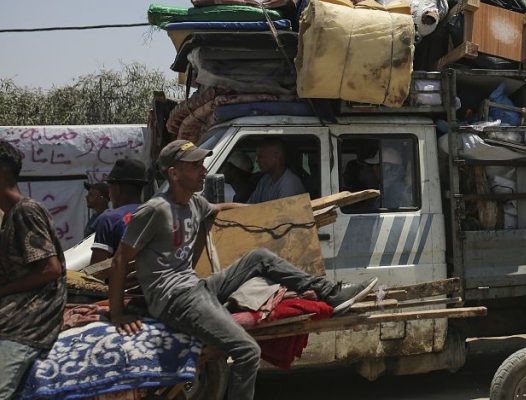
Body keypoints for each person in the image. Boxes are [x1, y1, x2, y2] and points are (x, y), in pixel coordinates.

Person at [108, 140, 378, 400]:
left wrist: (265, 213)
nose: (204, 170)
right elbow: (120, 260)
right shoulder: (155, 210)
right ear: (174, 173)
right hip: (175, 300)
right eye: (195, 166)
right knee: (247, 351)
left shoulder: (193, 202)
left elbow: (220, 207)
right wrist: (117, 313)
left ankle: (330, 293)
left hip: (197, 288)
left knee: (259, 257)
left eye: (202, 164)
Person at [0, 141, 66, 399]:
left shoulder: (25, 211)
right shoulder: (10, 217)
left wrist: (3, 290)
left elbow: (50, 269)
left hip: (25, 322)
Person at [90, 158, 149, 264]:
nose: (109, 194)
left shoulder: (109, 218)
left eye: (110, 188)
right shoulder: (153, 213)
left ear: (117, 189)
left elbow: (95, 268)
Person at [248, 139, 307, 204]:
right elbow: (250, 205)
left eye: (260, 156)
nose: (257, 160)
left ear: (276, 157)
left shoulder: (289, 184)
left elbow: (282, 210)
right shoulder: (264, 180)